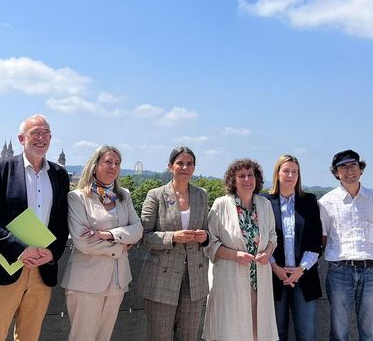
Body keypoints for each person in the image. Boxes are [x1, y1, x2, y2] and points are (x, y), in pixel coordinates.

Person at [0, 114, 70, 341]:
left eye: (45, 133)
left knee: (30, 335)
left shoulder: (59, 174)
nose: (41, 138)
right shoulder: (1, 168)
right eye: (35, 133)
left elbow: (62, 222)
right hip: (6, 265)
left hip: (42, 268)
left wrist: (52, 253)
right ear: (21, 138)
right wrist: (20, 250)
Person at [61, 145, 142, 341]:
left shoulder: (124, 196)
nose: (113, 166)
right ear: (95, 165)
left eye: (117, 163)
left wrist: (109, 235)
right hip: (86, 282)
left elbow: (138, 230)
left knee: (104, 338)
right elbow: (83, 242)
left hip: (117, 281)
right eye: (108, 161)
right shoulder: (78, 197)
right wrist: (120, 245)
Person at [318, 149, 373, 341]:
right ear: (336, 173)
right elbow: (323, 239)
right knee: (339, 332)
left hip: (371, 271)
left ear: (361, 170)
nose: (349, 171)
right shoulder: (326, 202)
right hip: (340, 271)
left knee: (370, 332)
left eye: (353, 166)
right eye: (343, 167)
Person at [139, 147, 210, 341]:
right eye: (180, 163)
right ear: (170, 166)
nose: (185, 167)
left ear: (194, 168)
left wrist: (205, 237)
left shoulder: (201, 195)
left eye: (190, 164)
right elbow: (143, 236)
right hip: (161, 278)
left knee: (188, 336)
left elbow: (209, 232)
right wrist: (172, 237)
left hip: (194, 279)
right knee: (159, 336)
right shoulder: (156, 195)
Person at [203, 158, 278, 341]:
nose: (247, 179)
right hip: (230, 280)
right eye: (241, 176)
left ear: (257, 179)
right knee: (231, 330)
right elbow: (210, 244)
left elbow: (273, 237)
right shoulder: (221, 205)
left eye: (250, 175)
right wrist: (235, 255)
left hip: (259, 279)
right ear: (233, 180)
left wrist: (267, 253)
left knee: (257, 331)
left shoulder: (264, 205)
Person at [266, 155, 323, 341]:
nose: (290, 175)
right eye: (286, 171)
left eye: (295, 172)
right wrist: (275, 268)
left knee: (306, 334)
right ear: (277, 173)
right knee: (276, 333)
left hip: (304, 278)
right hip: (274, 278)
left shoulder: (309, 201)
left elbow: (316, 241)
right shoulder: (265, 202)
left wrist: (300, 270)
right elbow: (261, 239)